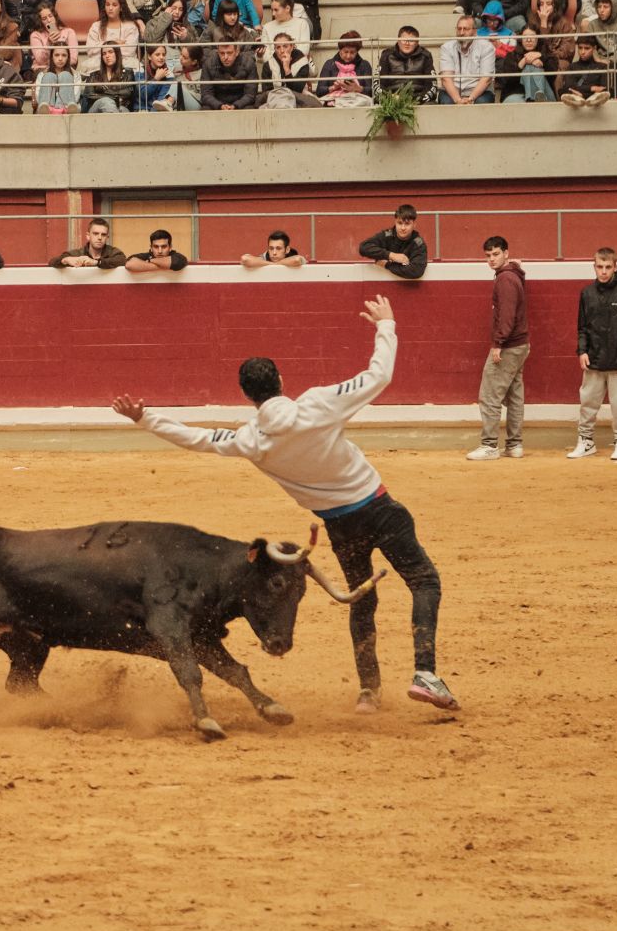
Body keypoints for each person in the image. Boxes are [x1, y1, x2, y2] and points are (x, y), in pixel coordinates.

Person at [112, 296, 461, 713]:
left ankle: (369, 691)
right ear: (280, 379)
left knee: (361, 598)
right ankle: (425, 673)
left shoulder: (250, 440)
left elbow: (196, 438)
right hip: (381, 509)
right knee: (423, 581)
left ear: (246, 395)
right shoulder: (318, 404)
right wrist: (386, 325)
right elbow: (378, 375)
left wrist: (144, 418)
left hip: (340, 526)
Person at [570, 247, 617, 463]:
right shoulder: (587, 293)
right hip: (593, 359)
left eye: (607, 267)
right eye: (599, 267)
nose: (603, 271)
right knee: (587, 403)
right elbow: (582, 327)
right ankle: (586, 442)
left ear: (615, 267)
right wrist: (582, 351)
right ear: (594, 267)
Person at [467, 235, 528, 461]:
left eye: (496, 254)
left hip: (509, 346)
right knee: (514, 396)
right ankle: (514, 445)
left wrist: (498, 343)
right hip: (520, 344)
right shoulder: (513, 275)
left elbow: (507, 315)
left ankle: (489, 445)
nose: (491, 259)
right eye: (488, 255)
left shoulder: (505, 279)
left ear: (506, 253)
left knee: (489, 394)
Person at [358, 205, 428, 279]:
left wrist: (387, 265)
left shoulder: (418, 244)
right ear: (395, 222)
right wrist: (391, 255)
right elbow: (363, 248)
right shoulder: (386, 236)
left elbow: (416, 271)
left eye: (407, 224)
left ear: (414, 225)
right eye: (400, 223)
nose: (403, 228)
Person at [49, 216, 125, 268]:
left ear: (107, 237)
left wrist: (96, 262)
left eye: (103, 235)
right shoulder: (78, 253)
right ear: (88, 236)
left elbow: (122, 260)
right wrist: (66, 260)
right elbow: (52, 262)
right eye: (95, 234)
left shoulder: (113, 252)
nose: (99, 238)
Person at [125, 230, 190, 272]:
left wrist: (149, 261)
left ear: (170, 247)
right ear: (151, 247)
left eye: (164, 247)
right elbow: (129, 264)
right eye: (156, 247)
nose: (160, 251)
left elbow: (177, 263)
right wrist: (165, 266)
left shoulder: (177, 256)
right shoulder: (146, 255)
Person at [241, 229, 307, 268]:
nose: (274, 253)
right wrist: (272, 264)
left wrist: (273, 264)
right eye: (271, 248)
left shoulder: (293, 255)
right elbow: (245, 259)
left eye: (278, 248)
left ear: (287, 250)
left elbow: (296, 260)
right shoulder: (265, 257)